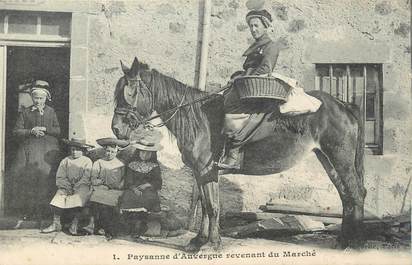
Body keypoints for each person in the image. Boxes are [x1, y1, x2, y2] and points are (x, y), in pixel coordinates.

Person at [218, 9, 280, 170]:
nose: (253, 29)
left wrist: (242, 78)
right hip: (247, 86)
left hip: (258, 89)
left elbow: (265, 68)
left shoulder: (271, 46)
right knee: (221, 100)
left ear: (265, 26)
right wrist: (237, 77)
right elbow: (249, 69)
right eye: (251, 26)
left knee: (233, 109)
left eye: (256, 25)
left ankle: (234, 152)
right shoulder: (255, 47)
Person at [10, 80, 61, 223]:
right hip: (31, 150)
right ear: (32, 98)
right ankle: (29, 211)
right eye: (36, 98)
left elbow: (58, 130)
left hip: (47, 151)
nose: (38, 101)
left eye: (41, 98)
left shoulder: (51, 112)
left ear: (46, 98)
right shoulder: (25, 112)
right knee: (30, 181)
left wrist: (46, 129)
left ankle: (45, 212)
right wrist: (30, 130)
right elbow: (16, 131)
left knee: (45, 180)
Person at [41, 138, 93, 235]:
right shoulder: (66, 160)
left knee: (79, 198)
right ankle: (56, 223)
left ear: (83, 151)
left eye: (77, 150)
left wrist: (77, 186)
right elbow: (61, 176)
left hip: (81, 186)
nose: (74, 152)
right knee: (59, 196)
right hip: (67, 186)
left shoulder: (87, 161)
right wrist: (66, 186)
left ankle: (75, 223)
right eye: (72, 149)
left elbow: (87, 177)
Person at [82, 137, 128, 240]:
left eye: (112, 152)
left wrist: (120, 185)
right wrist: (102, 183)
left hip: (116, 189)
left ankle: (108, 228)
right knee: (97, 197)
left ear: (116, 152)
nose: (109, 154)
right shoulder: (98, 162)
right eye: (108, 151)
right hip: (101, 187)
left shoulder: (121, 164)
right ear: (104, 151)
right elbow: (93, 178)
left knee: (111, 201)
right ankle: (95, 226)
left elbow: (124, 179)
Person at [118, 140, 162, 239]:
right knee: (129, 196)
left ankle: (140, 227)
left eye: (148, 153)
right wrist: (134, 188)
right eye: (142, 152)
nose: (145, 155)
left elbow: (158, 182)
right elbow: (128, 180)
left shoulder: (155, 166)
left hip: (148, 189)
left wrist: (147, 185)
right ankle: (131, 227)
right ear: (138, 151)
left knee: (147, 198)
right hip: (133, 188)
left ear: (152, 154)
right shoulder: (132, 164)